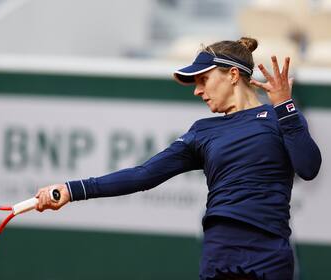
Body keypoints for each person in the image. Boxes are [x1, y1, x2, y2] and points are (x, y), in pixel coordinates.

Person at [34, 37, 321, 280]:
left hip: (270, 254)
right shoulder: (202, 132)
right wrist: (73, 190)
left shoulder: (279, 117)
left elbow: (308, 167)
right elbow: (143, 175)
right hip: (220, 252)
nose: (198, 91)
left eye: (204, 80)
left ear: (233, 75)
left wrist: (285, 106)